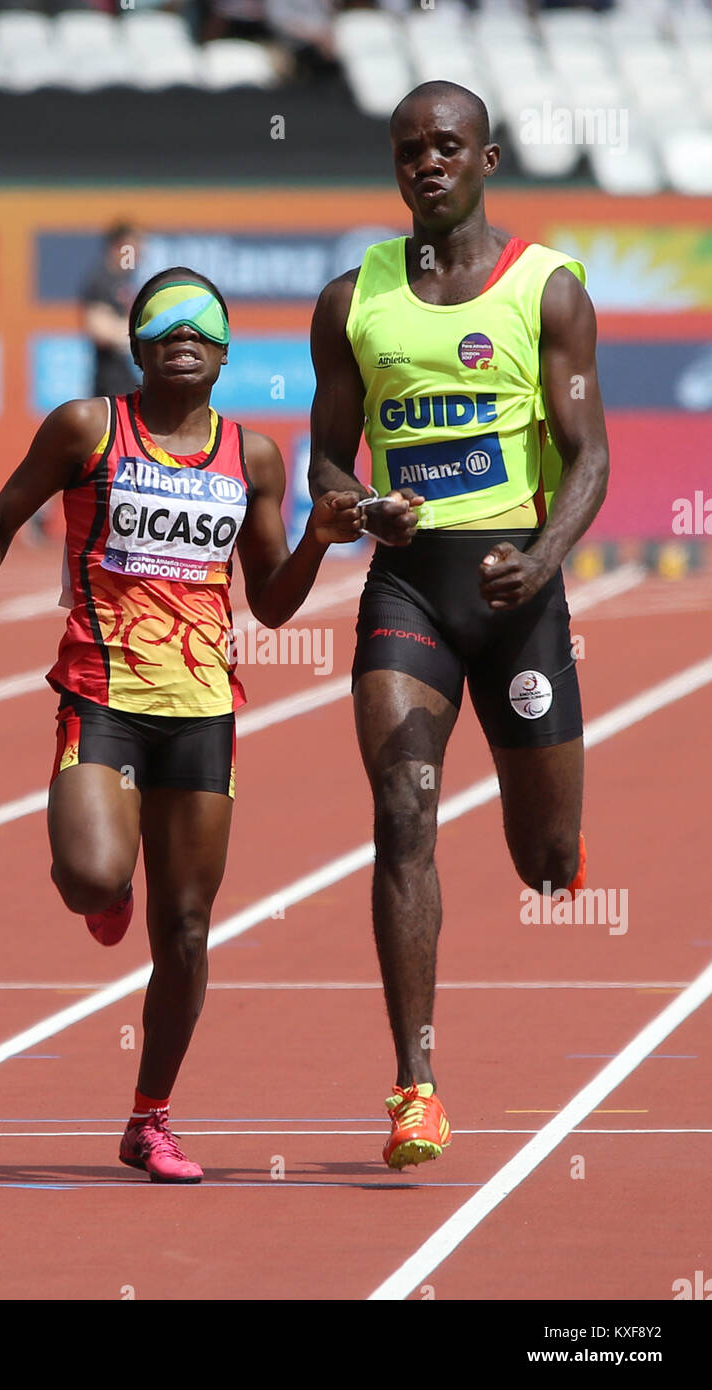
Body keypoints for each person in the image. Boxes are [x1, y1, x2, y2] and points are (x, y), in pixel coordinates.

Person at [0, 267, 360, 1184]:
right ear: (138, 344)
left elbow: (272, 606)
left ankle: (150, 1118)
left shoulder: (256, 459)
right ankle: (108, 887)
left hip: (202, 712)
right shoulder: (89, 428)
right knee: (89, 875)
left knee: (188, 931)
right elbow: (2, 520)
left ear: (227, 349)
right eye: (164, 319)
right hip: (102, 693)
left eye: (204, 321)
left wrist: (321, 536)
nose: (184, 331)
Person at [308, 82, 609, 1171]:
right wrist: (356, 505)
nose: (425, 163)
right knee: (401, 808)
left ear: (484, 159)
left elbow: (588, 458)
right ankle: (415, 1084)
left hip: (517, 599)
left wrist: (538, 557)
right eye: (407, 150)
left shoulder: (547, 290)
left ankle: (555, 847)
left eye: (445, 146)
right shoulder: (352, 299)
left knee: (538, 860)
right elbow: (327, 465)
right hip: (408, 595)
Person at [80, 221, 143, 399]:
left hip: (131, 382)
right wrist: (142, 333)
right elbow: (99, 330)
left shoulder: (127, 282)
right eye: (133, 248)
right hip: (111, 386)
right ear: (118, 247)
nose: (139, 253)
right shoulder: (102, 280)